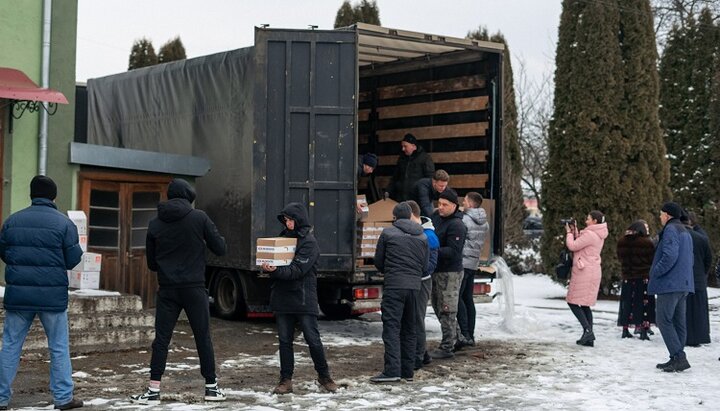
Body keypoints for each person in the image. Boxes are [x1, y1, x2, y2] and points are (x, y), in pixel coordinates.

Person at [131, 179, 228, 405]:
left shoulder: (155, 223)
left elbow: (152, 264)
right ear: (188, 196)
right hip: (194, 287)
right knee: (202, 336)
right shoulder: (199, 218)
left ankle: (153, 390)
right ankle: (211, 388)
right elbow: (220, 249)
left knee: (162, 339)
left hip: (167, 289)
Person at [0, 175, 84, 410]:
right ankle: (63, 398)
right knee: (58, 345)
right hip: (52, 297)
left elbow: (5, 253)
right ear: (53, 196)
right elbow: (73, 259)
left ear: (31, 195)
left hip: (19, 295)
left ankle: (0, 397)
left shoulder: (12, 221)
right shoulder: (64, 223)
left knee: (10, 345)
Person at [261, 203, 337, 394]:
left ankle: (324, 377)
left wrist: (275, 270)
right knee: (284, 341)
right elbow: (276, 264)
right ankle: (285, 380)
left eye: (290, 219)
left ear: (299, 220)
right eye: (285, 220)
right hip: (283, 297)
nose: (287, 223)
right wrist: (269, 268)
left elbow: (297, 270)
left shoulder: (309, 243)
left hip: (303, 298)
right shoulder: (282, 239)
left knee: (313, 340)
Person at [370, 202, 428, 383]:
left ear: (395, 217)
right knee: (410, 329)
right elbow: (425, 266)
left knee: (392, 327)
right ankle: (407, 371)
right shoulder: (422, 236)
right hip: (414, 287)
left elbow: (378, 261)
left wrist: (390, 271)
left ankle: (392, 370)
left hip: (394, 286)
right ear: (411, 216)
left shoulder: (388, 233)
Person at [649, 202, 694, 372]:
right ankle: (676, 356)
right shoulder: (685, 231)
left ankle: (678, 356)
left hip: (670, 284)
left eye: (661, 214)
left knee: (664, 320)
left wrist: (656, 271)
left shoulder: (670, 230)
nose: (660, 217)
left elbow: (670, 255)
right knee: (678, 321)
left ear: (667, 215)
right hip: (683, 283)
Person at [429, 189, 466, 359]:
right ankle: (457, 338)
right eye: (439, 203)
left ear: (454, 206)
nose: (441, 207)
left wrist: (431, 249)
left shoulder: (457, 225)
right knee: (438, 307)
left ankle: (447, 346)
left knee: (447, 309)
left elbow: (453, 251)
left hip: (450, 272)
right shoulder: (436, 217)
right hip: (436, 270)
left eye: (445, 205)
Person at [565, 210, 608, 347]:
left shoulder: (590, 234)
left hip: (584, 271)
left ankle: (588, 331)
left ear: (595, 221)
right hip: (592, 270)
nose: (586, 221)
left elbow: (573, 245)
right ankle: (589, 337)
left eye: (588, 219)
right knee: (584, 304)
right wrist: (575, 230)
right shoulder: (597, 234)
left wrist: (569, 233)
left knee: (572, 301)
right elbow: (582, 244)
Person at [406, 200, 439, 370]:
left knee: (417, 319)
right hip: (414, 280)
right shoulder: (421, 232)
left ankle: (418, 356)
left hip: (422, 281)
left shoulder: (429, 236)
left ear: (411, 215)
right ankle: (423, 353)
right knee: (413, 318)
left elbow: (430, 265)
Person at [456, 192, 489, 349]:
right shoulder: (484, 222)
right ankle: (471, 334)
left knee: (458, 298)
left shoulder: (464, 219)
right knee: (468, 298)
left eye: (464, 200)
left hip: (462, 262)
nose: (462, 202)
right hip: (473, 263)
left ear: (470, 203)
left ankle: (465, 334)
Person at [616, 220, 656, 340]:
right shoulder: (647, 243)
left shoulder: (622, 241)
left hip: (628, 277)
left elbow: (620, 257)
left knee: (627, 303)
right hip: (643, 277)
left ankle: (625, 329)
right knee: (644, 304)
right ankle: (643, 330)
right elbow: (651, 260)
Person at [680, 213, 712, 347]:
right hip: (699, 279)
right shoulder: (702, 238)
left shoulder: (679, 238)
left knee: (684, 310)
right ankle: (700, 336)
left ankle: (685, 337)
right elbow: (708, 260)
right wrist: (703, 273)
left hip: (683, 279)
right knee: (699, 310)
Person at [388, 133, 435, 202]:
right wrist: (388, 191)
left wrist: (426, 197)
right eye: (402, 146)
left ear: (413, 146)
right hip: (401, 199)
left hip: (418, 200)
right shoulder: (401, 159)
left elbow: (430, 179)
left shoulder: (425, 158)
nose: (403, 149)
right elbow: (395, 177)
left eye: (405, 146)